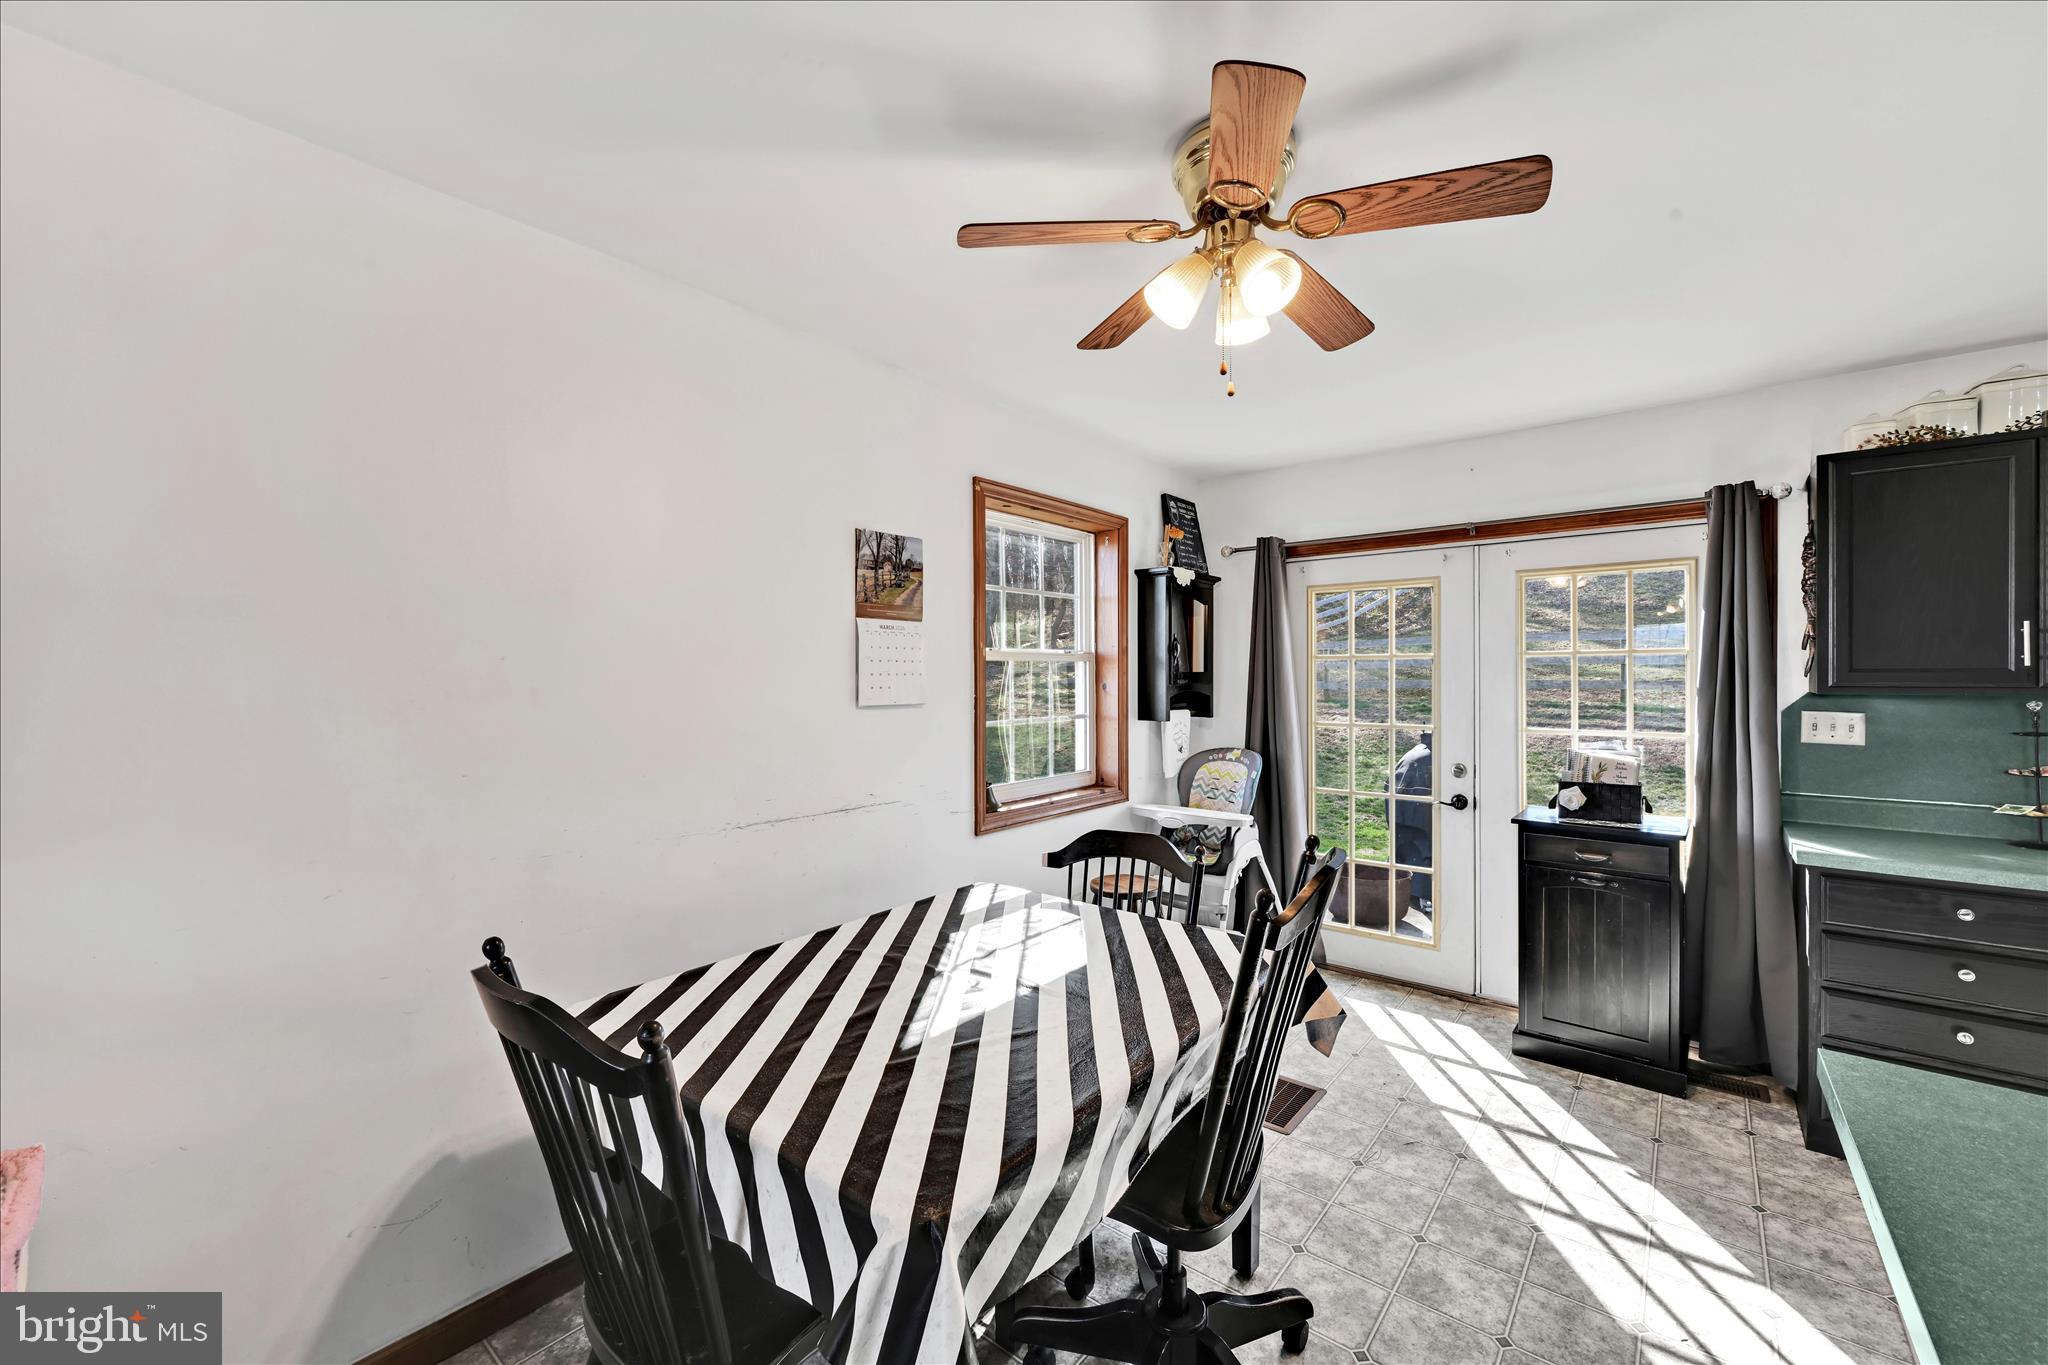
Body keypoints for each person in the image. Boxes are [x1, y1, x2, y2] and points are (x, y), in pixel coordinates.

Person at [1392, 731, 1434, 932]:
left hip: (1407, 816)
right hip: (1414, 821)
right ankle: (1424, 892)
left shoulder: (1416, 757)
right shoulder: (1423, 760)